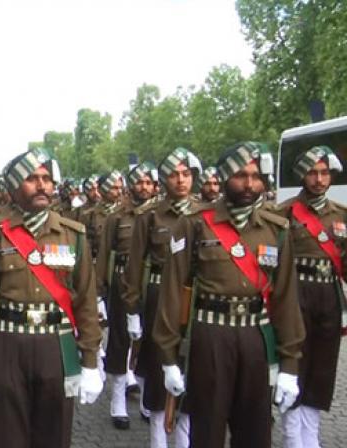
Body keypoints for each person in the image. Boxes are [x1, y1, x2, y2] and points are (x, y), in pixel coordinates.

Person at [154, 142, 306, 448]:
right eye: (240, 175)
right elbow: (172, 292)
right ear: (224, 177)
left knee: (255, 430)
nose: (249, 184)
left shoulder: (276, 228)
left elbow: (286, 298)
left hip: (256, 337)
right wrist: (168, 358)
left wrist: (290, 364)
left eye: (255, 175)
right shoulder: (194, 224)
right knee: (207, 428)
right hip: (210, 336)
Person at [0, 148, 103, 448]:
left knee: (55, 437)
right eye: (32, 179)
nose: (42, 186)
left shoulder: (73, 235)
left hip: (57, 347)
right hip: (9, 346)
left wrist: (90, 362)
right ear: (14, 186)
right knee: (9, 437)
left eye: (47, 178)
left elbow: (86, 302)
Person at [122, 148, 203, 447]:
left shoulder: (205, 213)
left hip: (194, 300)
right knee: (159, 372)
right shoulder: (149, 216)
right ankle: (158, 437)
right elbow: (134, 266)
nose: (181, 180)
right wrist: (132, 310)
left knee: (191, 370)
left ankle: (183, 438)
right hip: (158, 297)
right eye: (173, 175)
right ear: (163, 180)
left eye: (186, 174)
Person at [278, 145, 346, 448]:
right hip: (297, 293)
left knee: (323, 366)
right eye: (313, 173)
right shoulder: (285, 212)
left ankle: (312, 435)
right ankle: (293, 437)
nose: (319, 179)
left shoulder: (341, 213)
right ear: (302, 176)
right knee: (296, 365)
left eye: (324, 173)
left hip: (329, 295)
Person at [97, 162, 157, 430]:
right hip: (122, 283)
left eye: (148, 182)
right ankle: (118, 401)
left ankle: (147, 397)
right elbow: (103, 256)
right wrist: (99, 293)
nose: (143, 187)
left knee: (151, 342)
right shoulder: (116, 216)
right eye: (139, 182)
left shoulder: (161, 215)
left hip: (153, 284)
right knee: (120, 341)